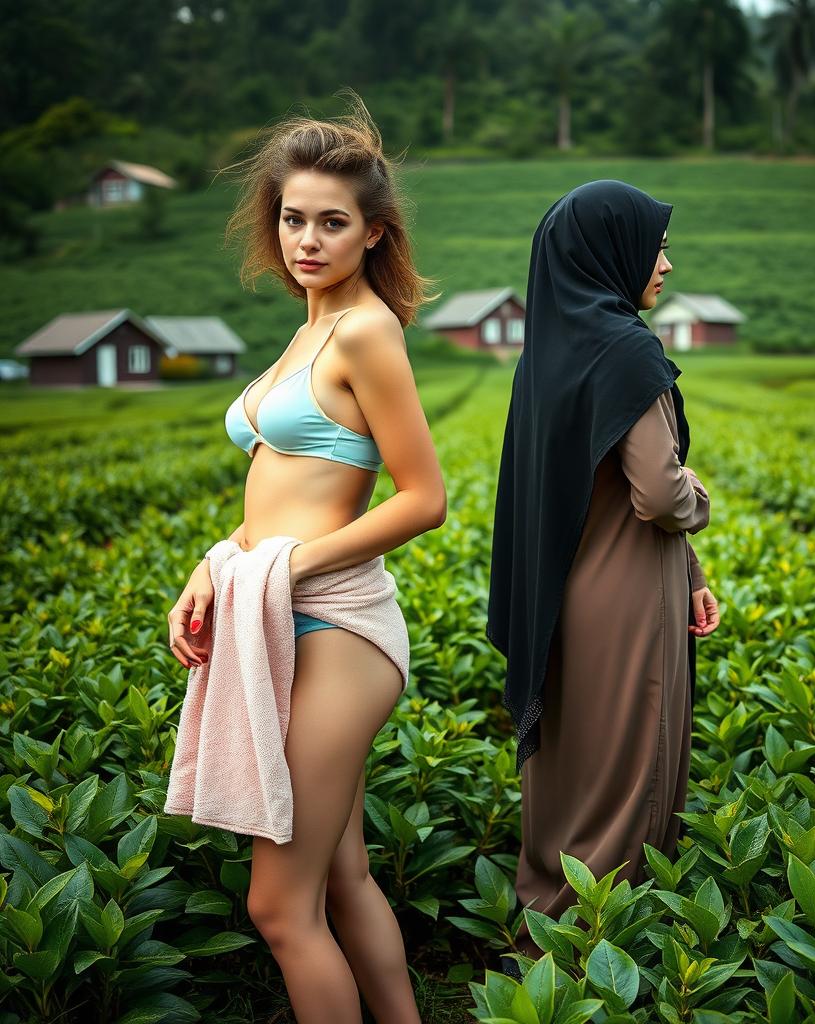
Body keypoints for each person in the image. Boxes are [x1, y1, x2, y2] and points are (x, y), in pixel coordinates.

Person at [165, 93, 442, 1024]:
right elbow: (276, 494)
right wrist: (220, 562)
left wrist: (283, 567)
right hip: (284, 610)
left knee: (280, 908)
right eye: (293, 218)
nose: (307, 239)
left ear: (373, 234)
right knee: (346, 873)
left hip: (340, 630)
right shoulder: (305, 331)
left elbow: (423, 498)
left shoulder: (365, 329)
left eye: (333, 222)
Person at [486, 179, 721, 964]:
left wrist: (688, 574)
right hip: (624, 593)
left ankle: (541, 924)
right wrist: (701, 504)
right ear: (609, 252)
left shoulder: (546, 356)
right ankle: (602, 953)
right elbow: (655, 491)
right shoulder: (627, 349)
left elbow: (581, 483)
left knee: (569, 761)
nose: (666, 263)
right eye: (654, 246)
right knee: (631, 764)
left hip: (564, 591)